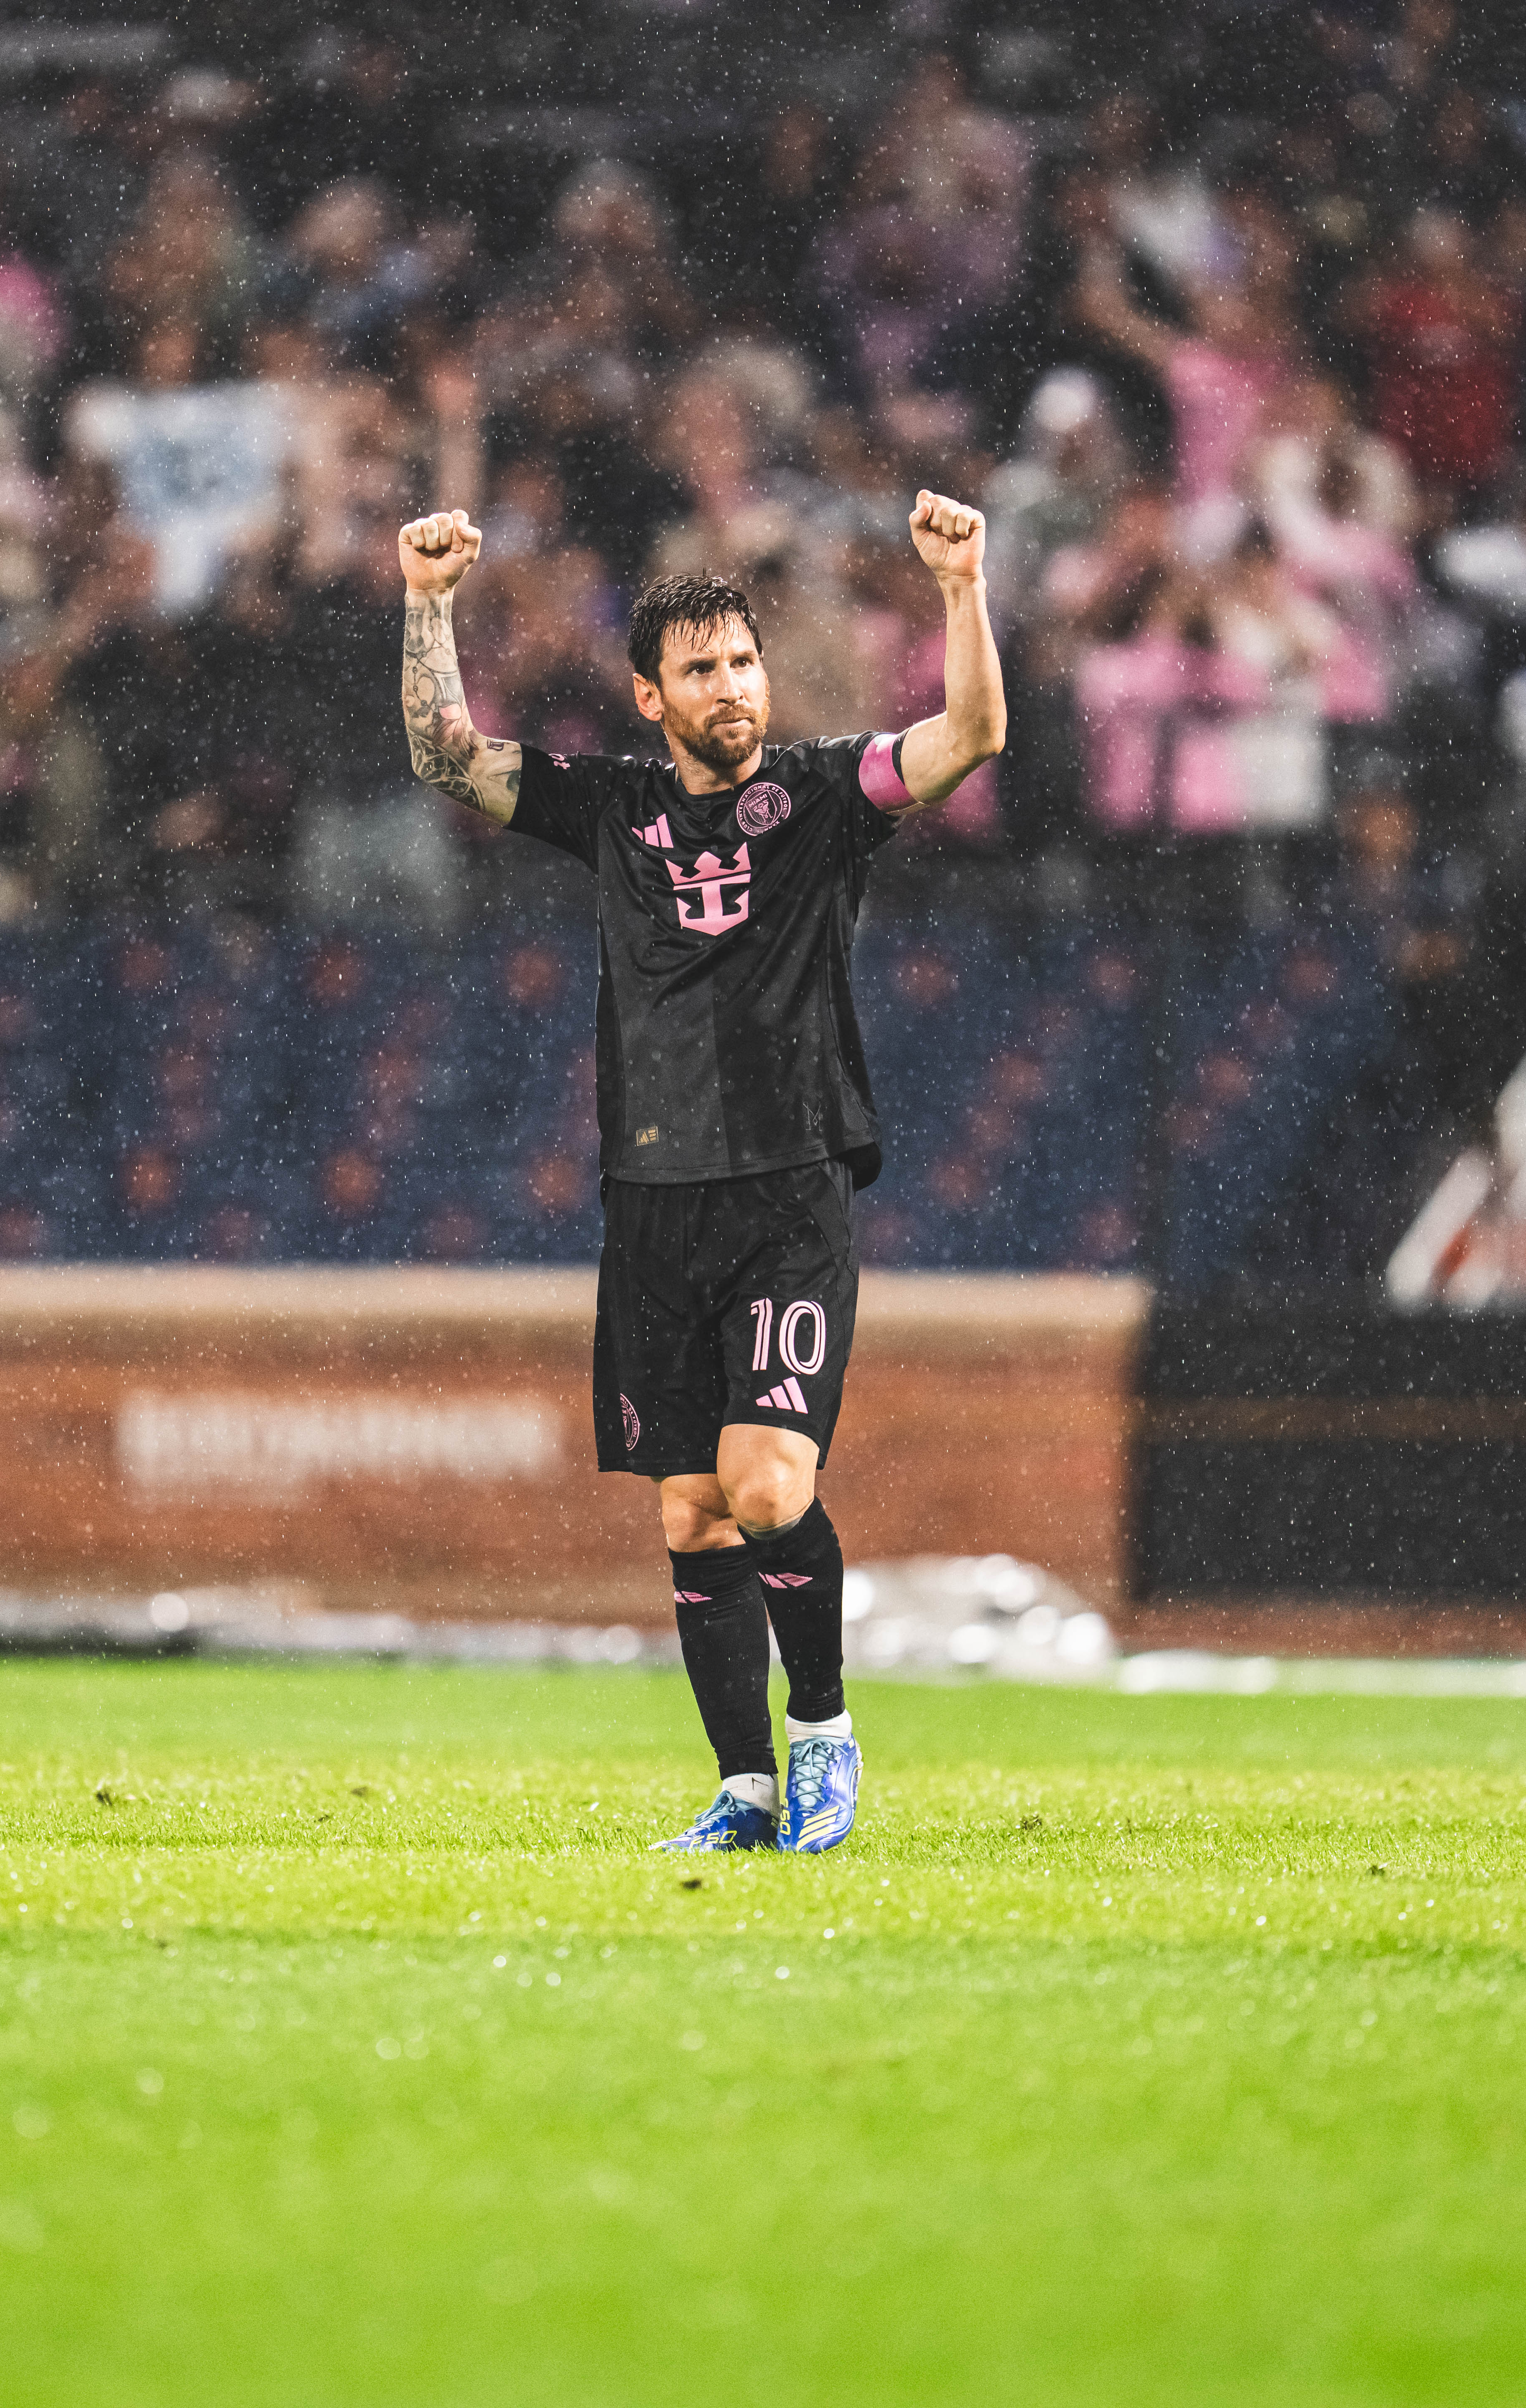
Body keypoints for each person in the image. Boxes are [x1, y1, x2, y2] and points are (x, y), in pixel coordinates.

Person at [395, 490, 1005, 1854]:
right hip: (654, 1203)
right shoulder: (612, 810)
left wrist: (962, 587)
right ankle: (744, 1789)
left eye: (743, 662)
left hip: (788, 1191)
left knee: (770, 1485)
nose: (731, 687)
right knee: (693, 1510)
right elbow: (447, 757)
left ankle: (824, 1733)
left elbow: (970, 736)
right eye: (701, 670)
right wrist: (429, 604)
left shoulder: (825, 796)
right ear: (650, 696)